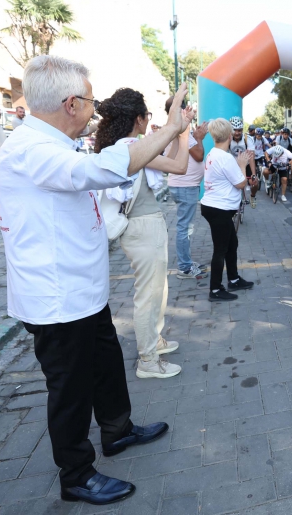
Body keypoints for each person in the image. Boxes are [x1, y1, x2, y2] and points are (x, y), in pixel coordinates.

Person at [0, 55, 189, 505]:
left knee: (104, 362)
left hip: (83, 292)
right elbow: (105, 169)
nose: (95, 109)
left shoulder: (52, 145)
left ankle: (117, 430)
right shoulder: (31, 150)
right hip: (58, 298)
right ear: (70, 103)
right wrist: (172, 128)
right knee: (70, 387)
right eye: (90, 99)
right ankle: (77, 473)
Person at [95, 88, 189, 380]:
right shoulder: (131, 147)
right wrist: (183, 134)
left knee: (157, 291)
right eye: (147, 116)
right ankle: (147, 360)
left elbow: (169, 161)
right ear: (138, 118)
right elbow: (179, 166)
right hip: (142, 227)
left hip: (148, 225)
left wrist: (175, 135)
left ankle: (155, 341)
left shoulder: (135, 146)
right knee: (149, 295)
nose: (149, 121)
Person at [201, 118, 254, 301]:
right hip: (219, 209)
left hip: (215, 207)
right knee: (221, 249)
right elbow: (240, 183)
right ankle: (215, 290)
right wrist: (242, 164)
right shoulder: (225, 158)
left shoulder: (213, 153)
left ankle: (233, 279)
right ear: (230, 136)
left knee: (232, 244)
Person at [166, 95, 210, 280]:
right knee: (185, 228)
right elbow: (199, 155)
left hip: (183, 186)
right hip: (185, 187)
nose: (191, 113)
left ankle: (186, 261)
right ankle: (184, 267)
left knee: (185, 227)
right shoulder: (181, 130)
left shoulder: (176, 129)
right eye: (188, 110)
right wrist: (199, 138)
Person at [229, 116, 258, 208]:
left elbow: (251, 157)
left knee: (255, 183)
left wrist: (253, 174)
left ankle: (252, 196)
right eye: (235, 130)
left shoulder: (247, 139)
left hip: (246, 164)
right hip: (233, 164)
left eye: (239, 130)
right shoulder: (227, 138)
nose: (237, 133)